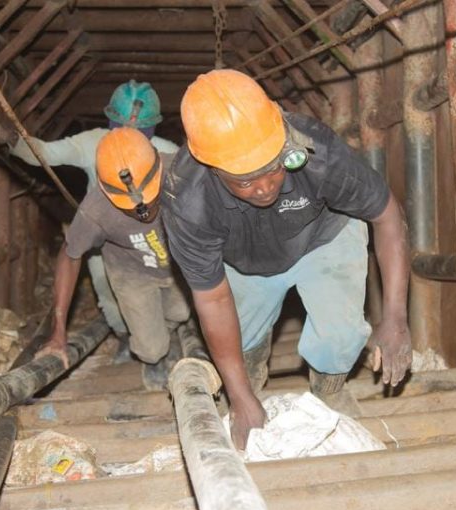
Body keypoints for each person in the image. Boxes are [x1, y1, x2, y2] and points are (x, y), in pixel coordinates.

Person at [162, 69, 412, 449]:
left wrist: (395, 316)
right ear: (212, 168)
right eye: (245, 181)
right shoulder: (188, 200)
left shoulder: (316, 151)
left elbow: (387, 215)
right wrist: (240, 396)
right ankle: (249, 391)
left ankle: (329, 391)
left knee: (341, 334)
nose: (265, 188)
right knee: (239, 348)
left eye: (272, 168)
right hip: (245, 260)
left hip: (323, 236)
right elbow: (212, 298)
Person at [10, 80, 178, 360]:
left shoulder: (168, 154)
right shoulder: (92, 146)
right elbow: (45, 154)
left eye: (138, 132)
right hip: (103, 235)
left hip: (153, 236)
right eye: (121, 129)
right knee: (108, 292)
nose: (128, 138)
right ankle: (126, 334)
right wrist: (12, 140)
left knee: (176, 304)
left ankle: (159, 330)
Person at [36, 127, 189, 390]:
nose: (142, 211)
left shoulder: (183, 172)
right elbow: (69, 257)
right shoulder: (96, 210)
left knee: (181, 312)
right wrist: (58, 332)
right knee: (151, 350)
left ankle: (165, 333)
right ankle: (153, 352)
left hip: (177, 267)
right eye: (128, 206)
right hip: (131, 272)